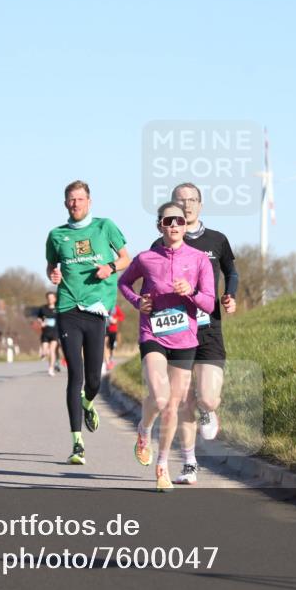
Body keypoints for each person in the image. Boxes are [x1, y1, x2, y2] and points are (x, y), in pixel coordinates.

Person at [119, 201, 215, 491]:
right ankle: (144, 429)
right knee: (160, 399)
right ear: (159, 225)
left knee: (173, 405)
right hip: (153, 334)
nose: (174, 226)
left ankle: (162, 466)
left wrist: (192, 293)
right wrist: (138, 301)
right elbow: (124, 283)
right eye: (168, 221)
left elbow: (210, 303)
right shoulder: (146, 258)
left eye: (179, 221)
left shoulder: (199, 259)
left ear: (186, 226)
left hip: (185, 339)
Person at [150, 183, 238, 485]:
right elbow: (149, 281)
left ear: (200, 204)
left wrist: (230, 295)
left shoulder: (217, 240)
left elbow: (231, 272)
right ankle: (189, 463)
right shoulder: (159, 244)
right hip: (175, 328)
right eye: (180, 201)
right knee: (183, 400)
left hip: (208, 326)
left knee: (208, 398)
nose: (186, 205)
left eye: (191, 200)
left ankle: (208, 410)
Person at [46, 180, 130, 465]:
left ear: (89, 201)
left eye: (80, 199)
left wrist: (110, 267)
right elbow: (51, 265)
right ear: (65, 203)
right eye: (71, 199)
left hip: (96, 309)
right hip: (68, 308)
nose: (75, 204)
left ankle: (88, 402)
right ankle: (77, 444)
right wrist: (53, 274)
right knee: (75, 375)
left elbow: (126, 259)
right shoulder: (56, 235)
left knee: (94, 380)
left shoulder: (105, 227)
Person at [37, 291, 61, 376]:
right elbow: (39, 318)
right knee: (45, 352)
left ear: (55, 299)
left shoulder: (58, 308)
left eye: (51, 298)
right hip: (45, 333)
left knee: (52, 350)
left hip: (55, 332)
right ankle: (44, 353)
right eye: (48, 298)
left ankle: (51, 368)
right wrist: (41, 322)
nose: (50, 299)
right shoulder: (43, 308)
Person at [105, 303, 125, 369]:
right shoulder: (104, 306)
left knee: (111, 346)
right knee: (106, 344)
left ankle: (110, 358)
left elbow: (122, 316)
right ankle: (107, 362)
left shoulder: (115, 307)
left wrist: (116, 319)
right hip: (105, 328)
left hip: (113, 329)